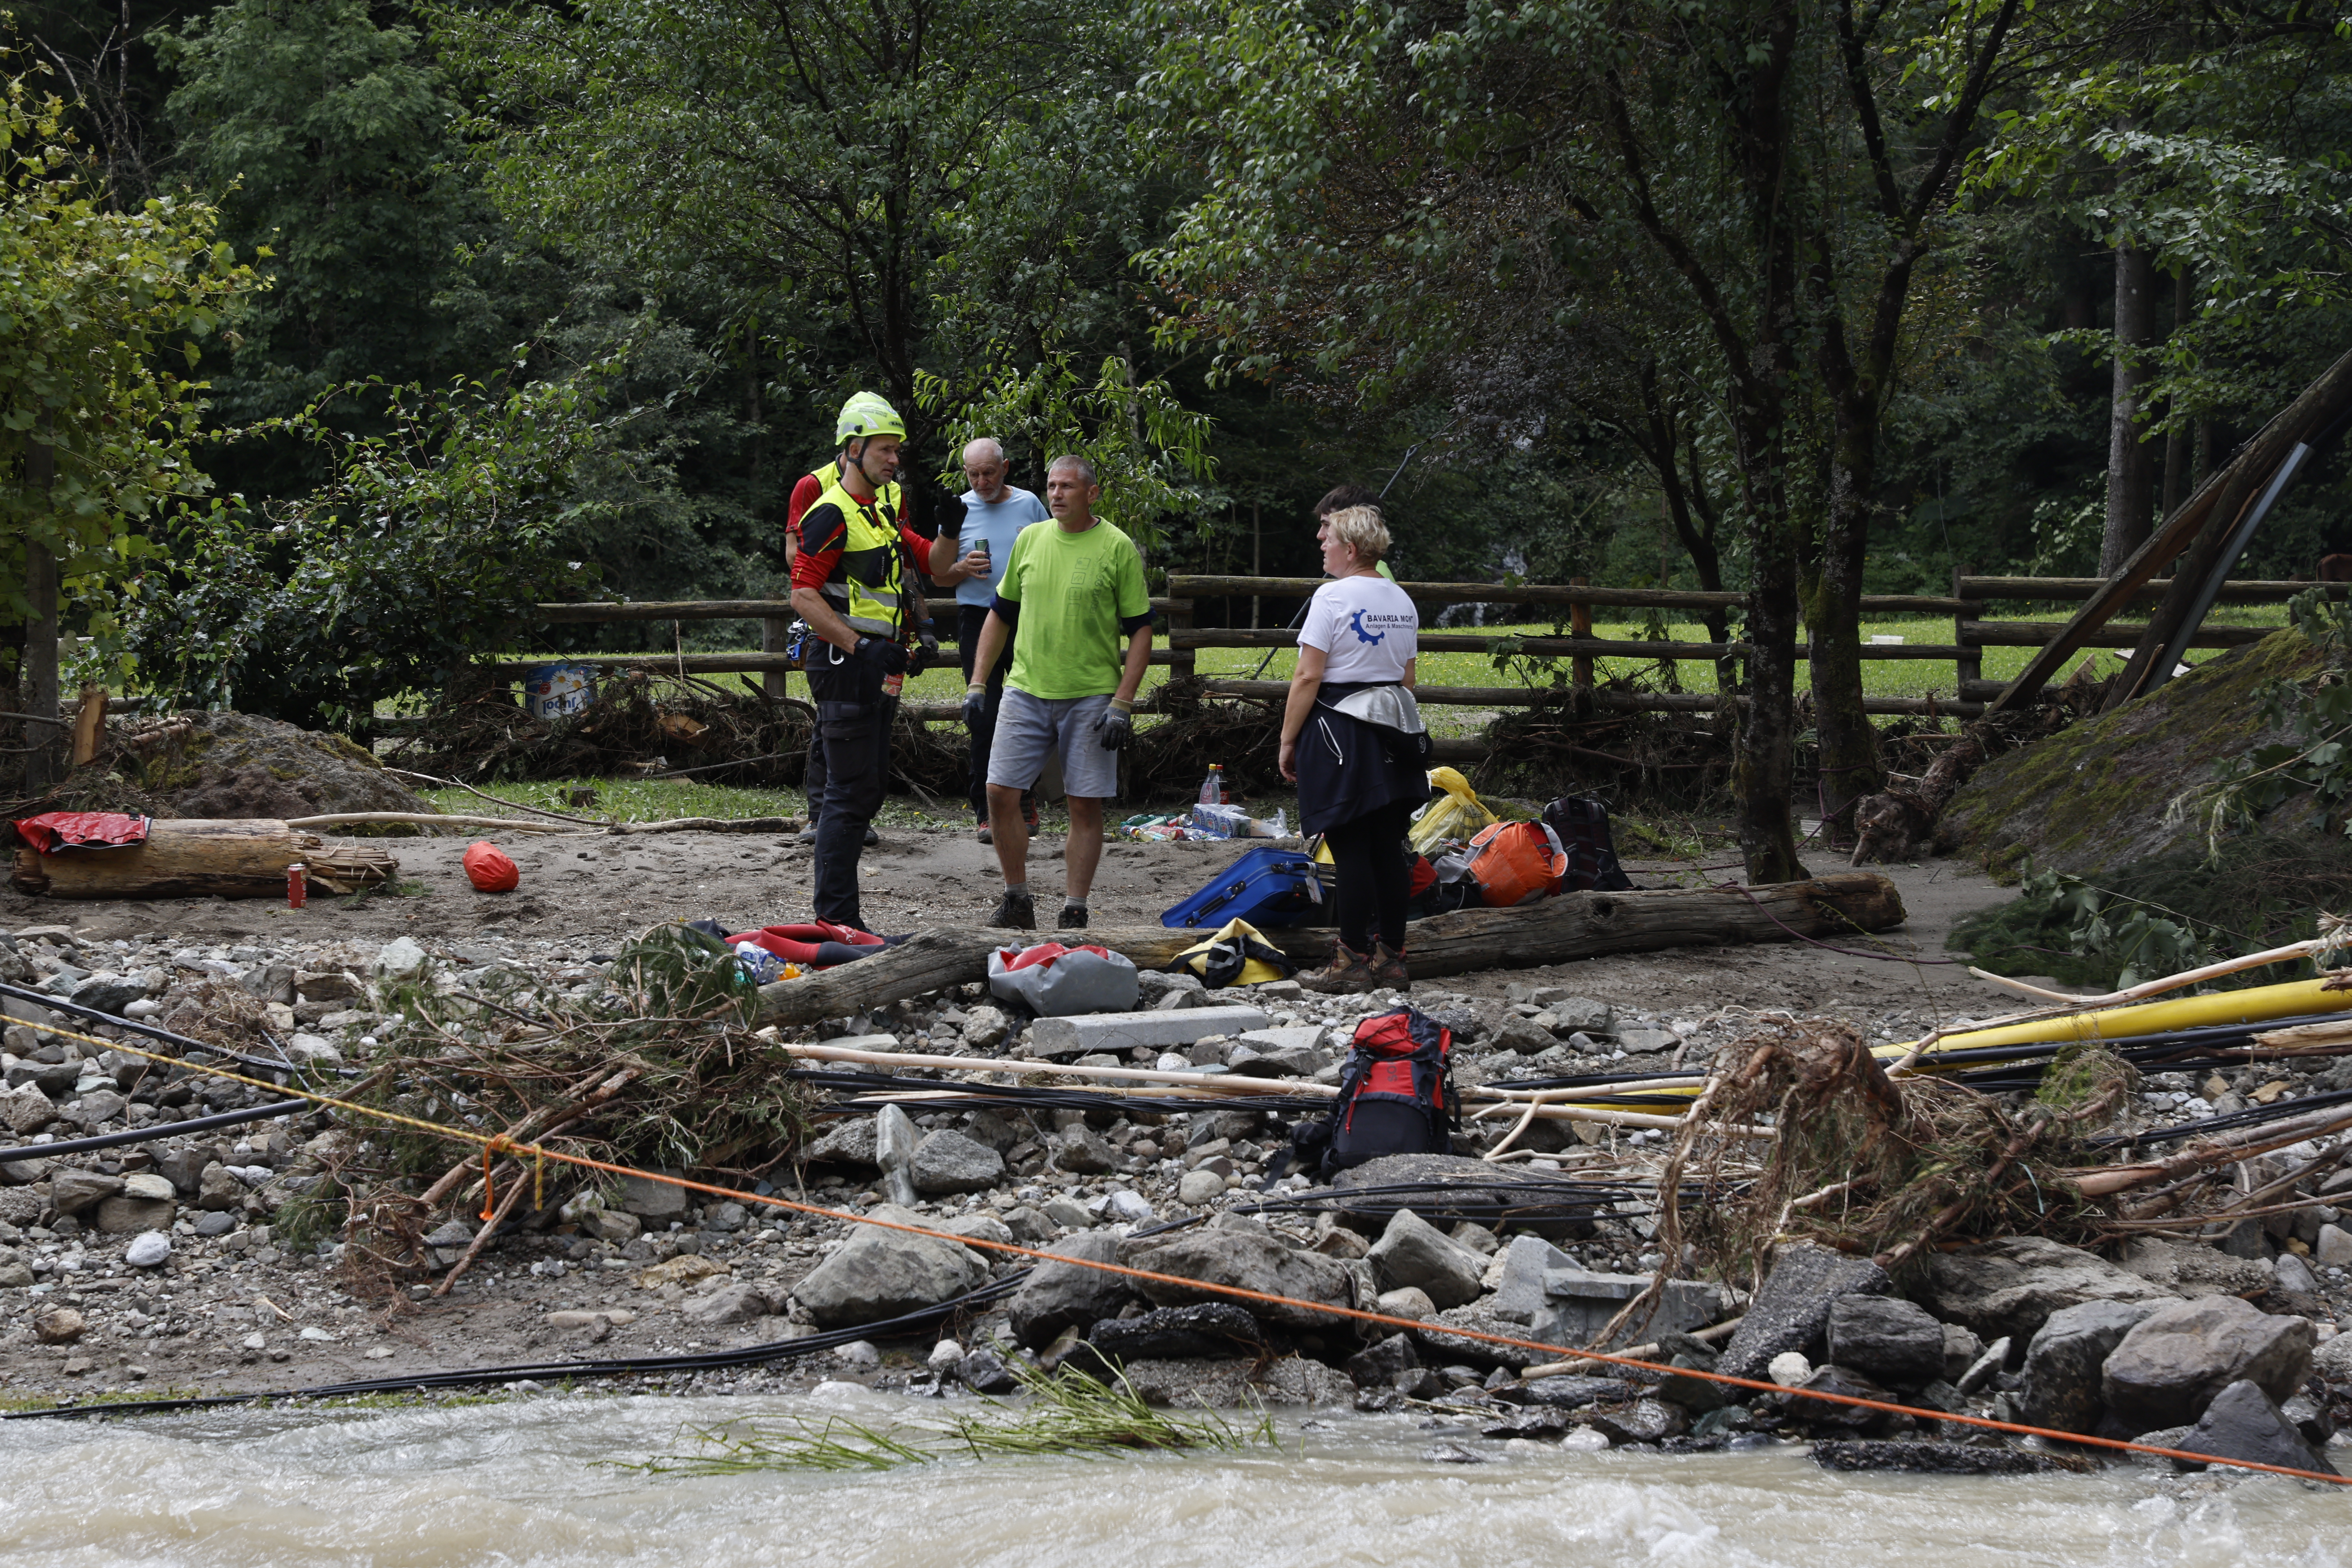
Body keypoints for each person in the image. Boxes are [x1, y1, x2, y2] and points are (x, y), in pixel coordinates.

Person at [963, 455, 1152, 930]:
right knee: (999, 791)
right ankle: (1017, 900)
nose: (1056, 494)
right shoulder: (1031, 539)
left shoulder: (1117, 547)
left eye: (1067, 486)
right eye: (1051, 486)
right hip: (1026, 689)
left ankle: (1075, 908)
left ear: (1091, 493)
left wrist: (1123, 703)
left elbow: (1141, 631)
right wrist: (978, 682)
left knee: (1083, 802)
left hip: (1091, 695)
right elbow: (1000, 614)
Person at [787, 392, 940, 931]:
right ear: (853, 450)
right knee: (848, 793)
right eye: (884, 450)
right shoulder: (831, 511)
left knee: (868, 787)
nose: (894, 459)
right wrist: (862, 646)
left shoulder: (880, 509)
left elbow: (919, 573)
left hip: (874, 668)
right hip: (841, 665)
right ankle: (836, 917)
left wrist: (913, 636)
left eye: (896, 451)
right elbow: (802, 596)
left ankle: (841, 915)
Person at [1278, 503, 1426, 991]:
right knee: (1388, 846)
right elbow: (1405, 680)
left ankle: (1351, 961)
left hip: (1339, 730)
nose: (1322, 542)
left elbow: (1308, 675)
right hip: (1395, 728)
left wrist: (1288, 739)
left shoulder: (1332, 598)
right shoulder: (1402, 600)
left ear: (1351, 548)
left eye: (1330, 536)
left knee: (1350, 848)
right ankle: (1392, 959)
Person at [929, 437, 1049, 842]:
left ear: (1006, 467)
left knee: (1027, 712)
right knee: (983, 716)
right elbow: (938, 576)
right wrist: (962, 567)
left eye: (989, 473)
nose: (982, 481)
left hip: (1027, 616)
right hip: (977, 618)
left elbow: (1054, 553)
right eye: (974, 474)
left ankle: (1025, 799)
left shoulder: (1030, 505)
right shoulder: (959, 510)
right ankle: (986, 811)